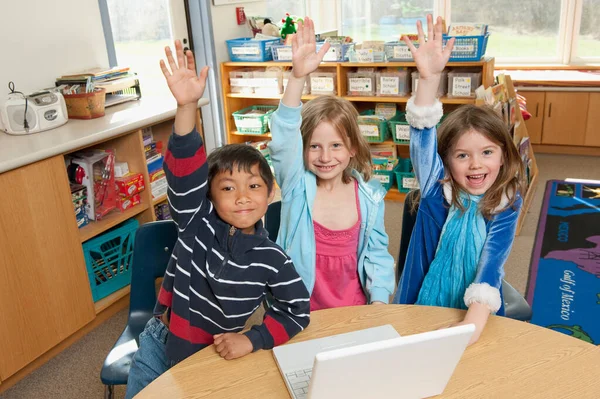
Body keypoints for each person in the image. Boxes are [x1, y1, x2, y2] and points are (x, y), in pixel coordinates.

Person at [125, 40, 310, 398]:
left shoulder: (273, 259)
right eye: (227, 188)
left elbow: (297, 311)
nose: (242, 196)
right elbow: (183, 175)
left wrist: (253, 339)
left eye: (254, 185)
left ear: (271, 193)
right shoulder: (197, 222)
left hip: (216, 356)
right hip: (159, 348)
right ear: (209, 196)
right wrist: (186, 107)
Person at [392, 15, 525, 345]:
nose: (476, 164)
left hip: (475, 312)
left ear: (504, 154)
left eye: (487, 153)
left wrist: (472, 327)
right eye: (462, 155)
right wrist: (429, 79)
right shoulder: (438, 189)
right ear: (446, 162)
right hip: (420, 304)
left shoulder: (507, 201)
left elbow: (490, 267)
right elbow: (422, 137)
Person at [268, 17, 395, 310]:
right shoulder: (296, 185)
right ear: (302, 149)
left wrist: (378, 302)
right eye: (314, 146)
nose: (325, 157)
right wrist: (297, 77)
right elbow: (284, 135)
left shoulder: (370, 197)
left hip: (353, 307)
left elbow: (377, 254)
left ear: (352, 148)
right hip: (298, 311)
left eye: (336, 145)